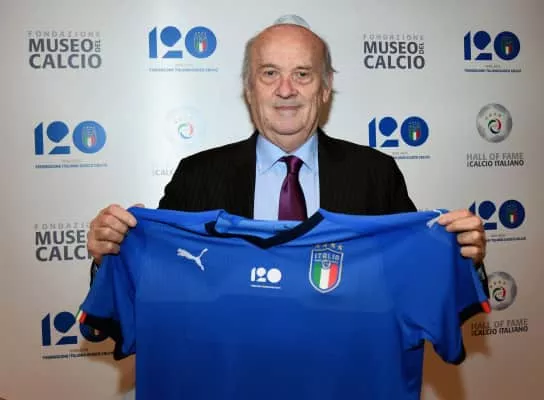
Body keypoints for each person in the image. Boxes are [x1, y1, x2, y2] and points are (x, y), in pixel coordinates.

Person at [87, 18, 486, 277]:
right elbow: (158, 278)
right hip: (232, 370)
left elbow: (413, 274)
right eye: (269, 73)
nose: (285, 90)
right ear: (249, 88)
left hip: (342, 370)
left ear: (325, 87)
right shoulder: (196, 175)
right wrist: (112, 254)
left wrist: (462, 257)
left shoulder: (375, 173)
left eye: (302, 74)